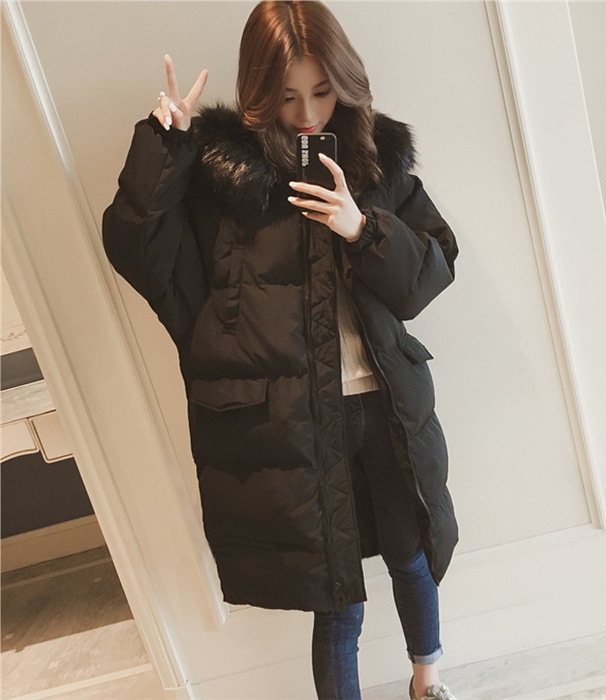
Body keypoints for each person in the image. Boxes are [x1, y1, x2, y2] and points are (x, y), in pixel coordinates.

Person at [102, 2, 459, 698]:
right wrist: (165, 147)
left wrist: (363, 229)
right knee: (337, 601)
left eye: (321, 92)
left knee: (412, 555)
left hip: (386, 408)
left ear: (345, 82)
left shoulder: (376, 159)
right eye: (287, 96)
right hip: (291, 424)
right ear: (259, 90)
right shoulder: (219, 179)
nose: (307, 115)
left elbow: (433, 268)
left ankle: (429, 680)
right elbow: (140, 254)